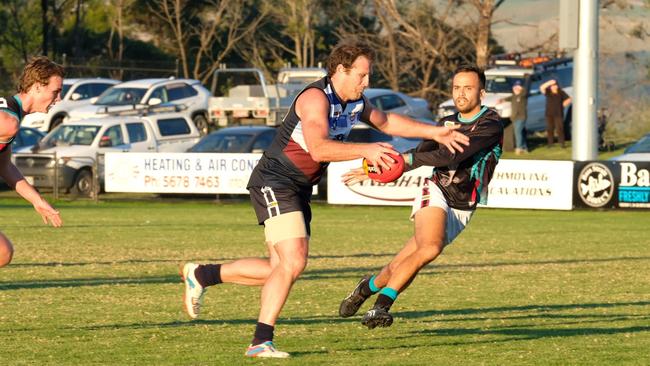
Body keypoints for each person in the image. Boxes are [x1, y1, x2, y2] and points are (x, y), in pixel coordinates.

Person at [180, 41, 470, 358]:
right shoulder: (315, 98)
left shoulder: (355, 102)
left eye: (367, 75)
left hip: (300, 187)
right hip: (276, 180)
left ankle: (202, 275)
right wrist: (366, 149)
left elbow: (386, 122)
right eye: (361, 75)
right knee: (293, 261)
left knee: (280, 268)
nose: (366, 82)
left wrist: (435, 132)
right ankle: (260, 341)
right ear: (340, 70)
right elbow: (318, 148)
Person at [338, 65, 504, 329]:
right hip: (436, 191)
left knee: (402, 264)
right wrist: (375, 168)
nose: (461, 93)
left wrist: (406, 158)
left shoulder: (490, 124)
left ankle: (365, 288)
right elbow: (421, 152)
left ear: (481, 93)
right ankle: (380, 307)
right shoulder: (445, 123)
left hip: (463, 207)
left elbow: (453, 155)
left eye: (468, 88)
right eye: (456, 87)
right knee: (430, 248)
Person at [0, 56, 65, 267]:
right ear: (37, 87)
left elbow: (5, 167)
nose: (59, 99)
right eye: (56, 91)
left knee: (2, 253)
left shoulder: (11, 116)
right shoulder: (8, 121)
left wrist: (37, 201)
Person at [540, 79, 571, 148]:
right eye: (552, 86)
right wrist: (549, 82)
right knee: (550, 129)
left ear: (557, 86)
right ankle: (550, 144)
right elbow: (541, 87)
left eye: (555, 85)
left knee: (559, 128)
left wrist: (563, 105)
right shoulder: (548, 92)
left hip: (559, 113)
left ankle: (562, 143)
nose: (553, 87)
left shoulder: (561, 92)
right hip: (549, 114)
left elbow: (569, 99)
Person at [508, 80, 528, 154]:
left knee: (518, 132)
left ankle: (519, 148)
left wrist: (521, 88)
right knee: (521, 132)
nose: (516, 89)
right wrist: (501, 100)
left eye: (518, 88)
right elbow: (507, 98)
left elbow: (525, 90)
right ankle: (524, 148)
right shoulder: (513, 96)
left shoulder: (523, 95)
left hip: (521, 117)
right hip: (514, 118)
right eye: (515, 87)